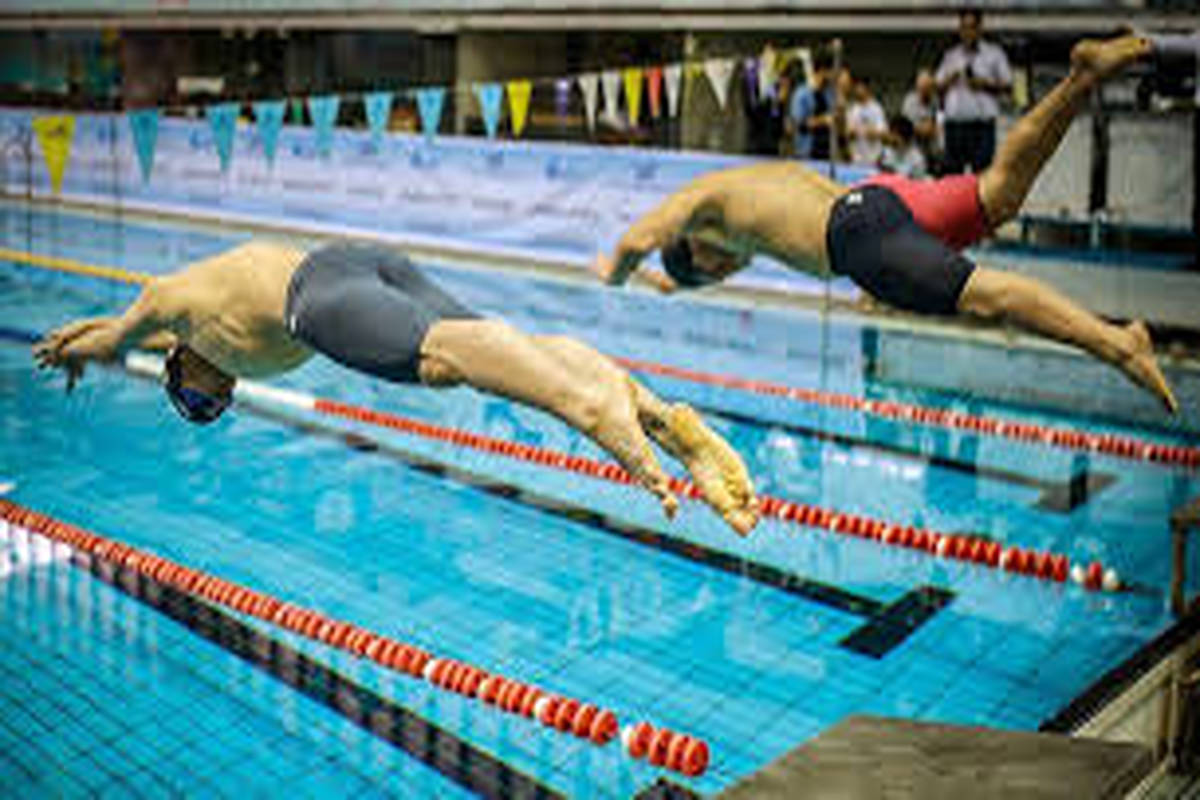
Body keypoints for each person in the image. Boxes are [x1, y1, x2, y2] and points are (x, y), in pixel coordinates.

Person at [591, 36, 1178, 414]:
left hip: (858, 234)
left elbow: (637, 240)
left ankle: (1118, 345)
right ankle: (1082, 77)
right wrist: (665, 284)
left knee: (987, 297)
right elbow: (689, 267)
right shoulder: (733, 207)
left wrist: (612, 273)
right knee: (1000, 193)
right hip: (878, 200)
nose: (725, 270)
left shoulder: (698, 203)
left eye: (712, 269)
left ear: (695, 247)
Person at [33, 240, 760, 536]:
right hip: (362, 264)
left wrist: (75, 349)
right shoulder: (203, 332)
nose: (212, 404)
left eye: (196, 403)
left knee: (443, 360)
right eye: (208, 411)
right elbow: (120, 333)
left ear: (180, 367)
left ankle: (590, 408)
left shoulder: (167, 304)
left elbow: (117, 334)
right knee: (494, 340)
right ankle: (651, 411)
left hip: (317, 296)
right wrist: (83, 338)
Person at [936, 8, 1012, 174]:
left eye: (971, 27)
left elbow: (1008, 85)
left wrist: (985, 84)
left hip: (982, 124)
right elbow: (937, 85)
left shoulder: (994, 54)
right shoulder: (951, 56)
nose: (967, 33)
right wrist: (950, 79)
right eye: (963, 27)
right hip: (955, 125)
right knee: (953, 174)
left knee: (982, 174)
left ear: (979, 29)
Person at [785, 49, 836, 161]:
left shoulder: (829, 92)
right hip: (806, 152)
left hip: (826, 153)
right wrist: (822, 120)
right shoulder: (802, 93)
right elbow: (796, 125)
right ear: (823, 70)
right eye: (831, 71)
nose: (834, 75)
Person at [901, 69, 941, 169]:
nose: (925, 91)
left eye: (929, 87)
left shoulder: (935, 101)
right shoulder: (910, 101)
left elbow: (938, 127)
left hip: (933, 150)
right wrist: (924, 128)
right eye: (922, 87)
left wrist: (930, 128)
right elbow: (907, 127)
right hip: (913, 150)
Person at [845, 76, 888, 167]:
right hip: (856, 158)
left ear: (867, 89)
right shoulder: (852, 108)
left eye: (860, 87)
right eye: (856, 87)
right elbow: (847, 132)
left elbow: (884, 132)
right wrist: (850, 132)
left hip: (873, 158)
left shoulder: (876, 108)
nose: (857, 90)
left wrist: (873, 132)